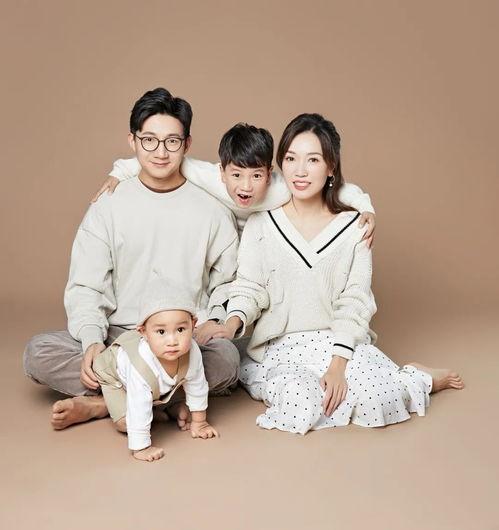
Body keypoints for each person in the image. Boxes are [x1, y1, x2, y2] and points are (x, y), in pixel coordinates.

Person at [221, 113, 464, 434]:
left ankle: (420, 377)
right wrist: (231, 324)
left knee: (379, 400)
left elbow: (355, 300)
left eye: (313, 159)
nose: (300, 171)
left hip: (337, 341)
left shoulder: (355, 227)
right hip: (280, 346)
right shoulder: (261, 224)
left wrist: (338, 366)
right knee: (299, 405)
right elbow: (249, 288)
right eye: (291, 159)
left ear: (331, 167)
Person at [23, 88, 240, 430]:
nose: (160, 152)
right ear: (133, 141)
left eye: (171, 141)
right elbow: (86, 285)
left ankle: (106, 403)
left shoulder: (212, 210)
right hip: (119, 337)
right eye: (149, 140)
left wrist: (212, 321)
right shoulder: (108, 205)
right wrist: (92, 341)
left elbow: (227, 282)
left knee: (227, 359)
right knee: (38, 352)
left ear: (186, 144)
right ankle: (163, 400)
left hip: (180, 339)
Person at [94, 122, 377, 246]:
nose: (246, 187)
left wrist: (365, 207)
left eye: (256, 176)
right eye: (237, 175)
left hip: (262, 243)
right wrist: (120, 172)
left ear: (270, 173)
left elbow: (335, 187)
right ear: (222, 172)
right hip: (224, 241)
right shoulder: (210, 177)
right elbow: (168, 160)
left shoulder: (282, 187)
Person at [93, 278, 217, 462]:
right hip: (112, 375)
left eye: (180, 329)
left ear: (193, 324)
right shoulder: (141, 364)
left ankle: (164, 408)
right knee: (126, 422)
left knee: (210, 364)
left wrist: (200, 423)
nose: (172, 341)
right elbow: (137, 404)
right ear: (143, 332)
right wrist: (141, 447)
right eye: (161, 332)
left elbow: (198, 385)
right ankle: (155, 409)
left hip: (155, 386)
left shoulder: (192, 352)